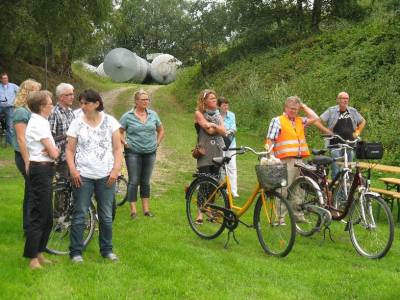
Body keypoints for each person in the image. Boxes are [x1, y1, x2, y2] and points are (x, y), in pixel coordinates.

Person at [66, 89, 121, 262]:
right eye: (81, 103)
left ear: (97, 103)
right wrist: (73, 170)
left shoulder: (110, 122)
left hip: (106, 175)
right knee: (80, 213)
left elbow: (118, 149)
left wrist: (115, 171)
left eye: (86, 103)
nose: (82, 106)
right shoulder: (77, 123)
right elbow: (69, 149)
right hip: (83, 175)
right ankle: (76, 252)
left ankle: (107, 250)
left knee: (106, 215)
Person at [265, 96, 320, 223]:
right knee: (283, 189)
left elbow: (316, 118)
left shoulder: (300, 120)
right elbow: (270, 140)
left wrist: (304, 106)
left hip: (299, 160)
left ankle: (298, 216)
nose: (294, 111)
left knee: (299, 189)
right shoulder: (277, 120)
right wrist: (271, 158)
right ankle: (280, 218)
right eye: (291, 108)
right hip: (285, 160)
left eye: (296, 109)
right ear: (285, 108)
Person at [23, 90, 59, 269]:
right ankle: (32, 259)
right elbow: (53, 152)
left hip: (45, 169)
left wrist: (53, 150)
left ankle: (40, 252)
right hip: (41, 169)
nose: (52, 105)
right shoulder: (38, 124)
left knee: (48, 215)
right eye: (50, 103)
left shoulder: (42, 122)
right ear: (42, 107)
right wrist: (54, 151)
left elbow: (52, 151)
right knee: (39, 214)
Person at [119, 90, 164, 219]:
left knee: (145, 181)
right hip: (133, 152)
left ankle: (146, 210)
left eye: (147, 99)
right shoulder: (127, 116)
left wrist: (157, 143)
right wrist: (125, 143)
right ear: (136, 101)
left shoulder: (153, 115)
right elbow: (119, 131)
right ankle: (133, 211)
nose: (146, 102)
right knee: (133, 180)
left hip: (150, 152)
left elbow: (161, 130)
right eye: (143, 99)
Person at [12, 79, 42, 235]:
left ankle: (31, 225)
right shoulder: (20, 112)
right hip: (24, 156)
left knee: (32, 190)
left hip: (34, 155)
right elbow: (21, 139)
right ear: (28, 92)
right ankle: (29, 227)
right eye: (37, 91)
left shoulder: (31, 111)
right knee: (33, 190)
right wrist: (27, 161)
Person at [193, 89, 226, 224]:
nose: (214, 100)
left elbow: (223, 131)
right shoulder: (199, 113)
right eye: (211, 98)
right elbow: (208, 128)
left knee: (214, 185)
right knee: (204, 183)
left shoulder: (218, 115)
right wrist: (213, 126)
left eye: (215, 98)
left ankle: (211, 211)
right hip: (205, 152)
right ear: (204, 101)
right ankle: (200, 213)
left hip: (217, 152)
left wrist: (213, 125)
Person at [319, 91, 366, 179]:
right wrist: (326, 131)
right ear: (338, 100)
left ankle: (346, 191)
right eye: (343, 98)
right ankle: (335, 191)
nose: (345, 100)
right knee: (336, 170)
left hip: (350, 145)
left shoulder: (352, 111)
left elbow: (363, 121)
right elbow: (318, 121)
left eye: (347, 98)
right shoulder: (331, 111)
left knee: (348, 170)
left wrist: (357, 132)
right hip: (335, 145)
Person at [48, 83, 75, 178]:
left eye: (72, 94)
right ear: (61, 97)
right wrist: (67, 136)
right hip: (61, 159)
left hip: (73, 156)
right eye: (69, 95)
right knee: (62, 187)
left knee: (73, 187)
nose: (72, 97)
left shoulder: (71, 112)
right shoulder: (54, 113)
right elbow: (49, 137)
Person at [218, 96, 239, 197]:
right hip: (220, 144)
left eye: (227, 105)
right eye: (224, 105)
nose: (226, 107)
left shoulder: (232, 115)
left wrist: (227, 132)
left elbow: (234, 128)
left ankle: (233, 190)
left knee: (232, 167)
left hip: (231, 143)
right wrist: (223, 132)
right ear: (219, 106)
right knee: (222, 167)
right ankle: (223, 190)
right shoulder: (217, 116)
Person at [0, 73, 19, 146]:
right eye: (4, 78)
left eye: (6, 78)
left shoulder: (13, 86)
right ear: (1, 79)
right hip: (0, 106)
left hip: (10, 107)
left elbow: (21, 93)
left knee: (10, 125)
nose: (5, 80)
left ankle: (10, 143)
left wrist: (17, 102)